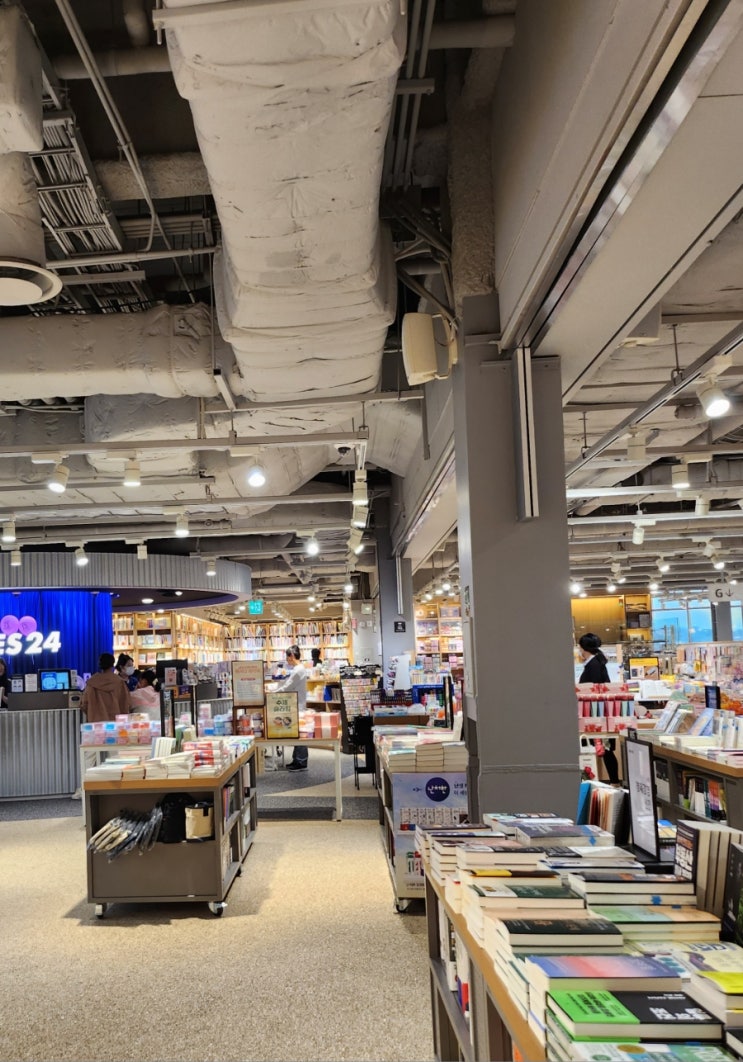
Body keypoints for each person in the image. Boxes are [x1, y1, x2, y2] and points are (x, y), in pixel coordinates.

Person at [578, 633, 619, 784]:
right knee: (605, 751)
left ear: (583, 648)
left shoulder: (593, 665)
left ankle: (611, 783)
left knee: (602, 750)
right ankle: (614, 782)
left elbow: (593, 690)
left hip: (596, 715)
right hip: (600, 713)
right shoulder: (596, 663)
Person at [277, 645, 309, 771]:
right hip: (297, 704)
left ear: (291, 656)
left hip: (298, 705)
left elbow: (288, 687)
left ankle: (301, 761)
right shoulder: (298, 669)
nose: (287, 660)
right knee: (297, 733)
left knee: (300, 734)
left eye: (287, 657)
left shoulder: (298, 670)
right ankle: (297, 759)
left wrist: (274, 693)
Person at [82, 652, 131, 722]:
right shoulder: (119, 682)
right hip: (115, 723)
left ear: (99, 664)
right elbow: (126, 704)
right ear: (112, 664)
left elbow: (84, 704)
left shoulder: (91, 683)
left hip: (96, 723)